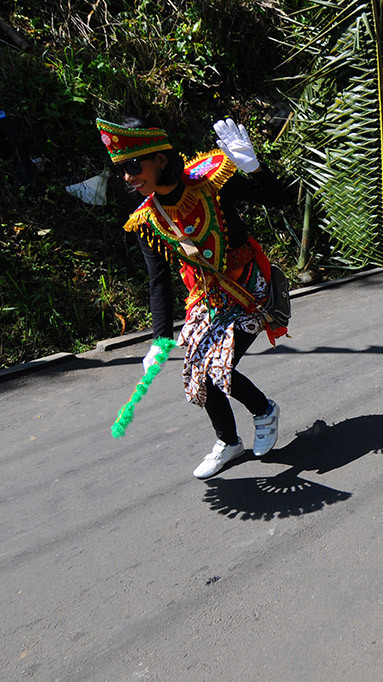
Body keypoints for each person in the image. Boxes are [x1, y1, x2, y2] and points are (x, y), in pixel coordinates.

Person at [97, 117, 286, 479]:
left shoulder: (212, 183)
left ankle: (264, 410)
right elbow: (159, 282)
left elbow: (278, 199)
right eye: (121, 170)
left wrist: (254, 167)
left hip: (248, 287)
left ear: (161, 160)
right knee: (197, 372)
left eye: (134, 166)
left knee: (220, 368)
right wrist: (159, 338)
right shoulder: (147, 220)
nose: (127, 177)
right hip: (207, 297)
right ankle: (228, 442)